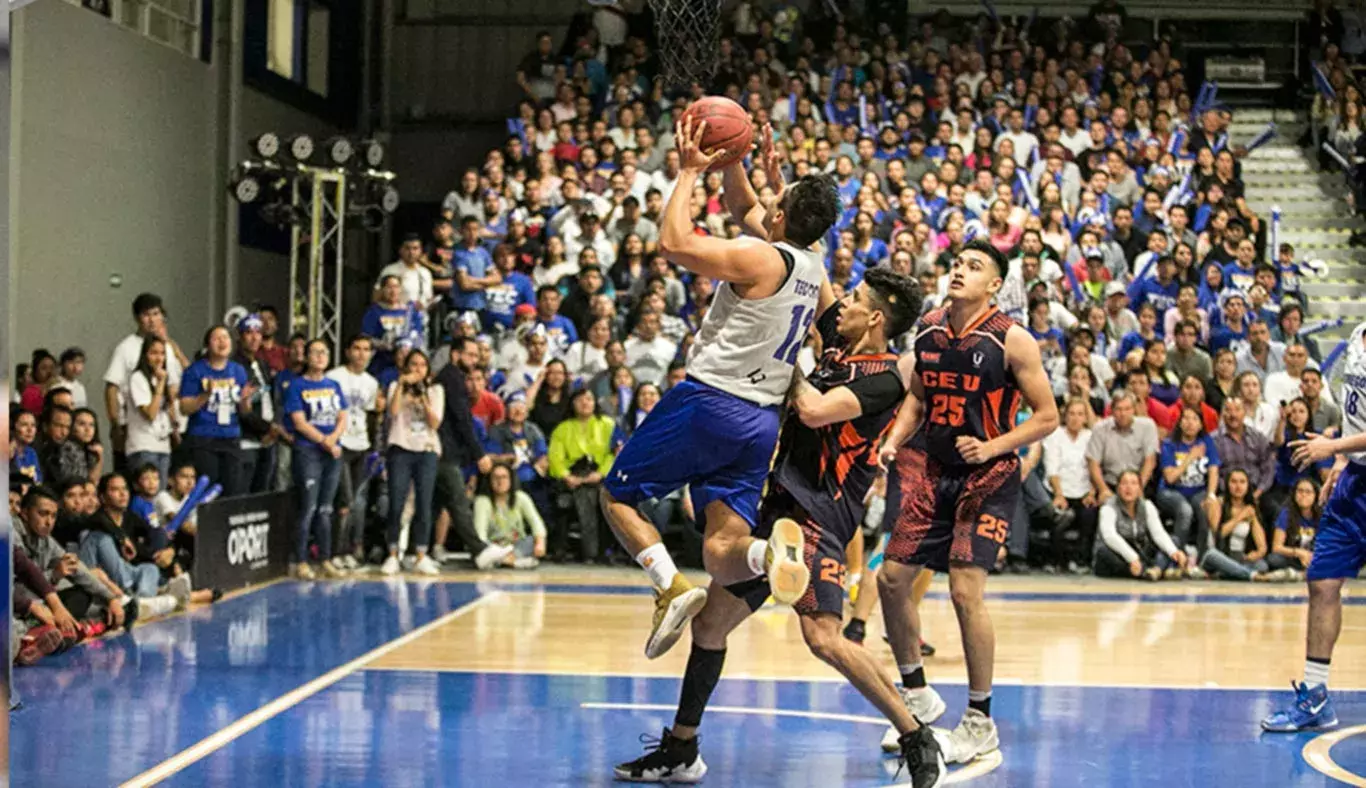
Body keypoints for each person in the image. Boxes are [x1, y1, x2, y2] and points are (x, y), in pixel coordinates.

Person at [615, 268, 946, 787]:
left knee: (823, 638)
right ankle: (682, 747)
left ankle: (915, 735)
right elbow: (809, 270)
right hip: (777, 510)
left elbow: (813, 411)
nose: (846, 304)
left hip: (818, 516)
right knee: (709, 625)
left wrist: (776, 360)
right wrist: (769, 203)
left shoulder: (886, 379)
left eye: (858, 298)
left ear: (877, 317)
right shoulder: (841, 339)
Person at [600, 117, 841, 660]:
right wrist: (735, 155)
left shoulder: (760, 256)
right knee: (721, 548)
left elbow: (673, 241)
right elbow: (745, 209)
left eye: (777, 197)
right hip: (760, 422)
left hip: (711, 402)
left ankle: (668, 586)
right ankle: (767, 555)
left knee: (616, 495)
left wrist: (689, 171)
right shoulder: (810, 262)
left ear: (781, 215)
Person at [875, 239, 1059, 767]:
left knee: (963, 592)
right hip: (934, 474)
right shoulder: (930, 328)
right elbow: (917, 395)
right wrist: (894, 438)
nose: (960, 271)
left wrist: (994, 445)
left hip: (989, 477)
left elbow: (1046, 416)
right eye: (957, 263)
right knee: (889, 580)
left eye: (974, 266)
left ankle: (980, 720)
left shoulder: (1013, 340)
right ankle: (917, 694)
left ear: (995, 284)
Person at [1262, 320, 1366, 732]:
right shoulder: (1358, 333)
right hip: (1355, 481)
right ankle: (1316, 697)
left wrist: (1332, 447)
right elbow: (1355, 410)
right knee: (1322, 582)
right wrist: (1342, 460)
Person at [284, 339, 350, 580]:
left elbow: (343, 417)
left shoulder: (334, 385)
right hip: (308, 452)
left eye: (324, 352)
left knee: (326, 509)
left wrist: (333, 439)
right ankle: (300, 560)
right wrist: (324, 441)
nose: (320, 356)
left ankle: (325, 558)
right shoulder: (296, 386)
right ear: (306, 357)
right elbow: (299, 422)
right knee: (308, 507)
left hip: (332, 452)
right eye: (315, 352)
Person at [382, 350, 445, 576]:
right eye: (413, 365)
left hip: (426, 449)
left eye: (422, 365)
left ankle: (420, 553)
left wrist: (423, 397)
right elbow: (393, 412)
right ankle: (392, 553)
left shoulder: (436, 391)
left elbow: (435, 422)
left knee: (424, 502)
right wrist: (402, 385)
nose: (417, 369)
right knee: (396, 502)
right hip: (401, 448)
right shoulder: (394, 387)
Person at [178, 326, 256, 497]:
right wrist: (205, 395)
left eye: (226, 337)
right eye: (217, 338)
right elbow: (184, 408)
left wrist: (245, 400)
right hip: (203, 438)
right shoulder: (195, 371)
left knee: (233, 490)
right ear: (207, 345)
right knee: (208, 491)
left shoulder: (238, 370)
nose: (222, 342)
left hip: (231, 437)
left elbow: (244, 412)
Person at [327, 335, 383, 567]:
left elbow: (371, 415)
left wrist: (372, 445)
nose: (361, 354)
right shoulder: (334, 377)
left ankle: (353, 547)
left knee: (358, 501)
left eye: (366, 349)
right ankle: (335, 551)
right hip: (340, 444)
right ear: (348, 351)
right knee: (344, 500)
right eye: (357, 348)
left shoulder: (371, 382)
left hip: (361, 444)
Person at [549, 387, 616, 562]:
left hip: (601, 476)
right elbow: (555, 458)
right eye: (580, 400)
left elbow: (614, 454)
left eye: (589, 399)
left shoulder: (608, 424)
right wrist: (567, 477)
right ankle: (594, 552)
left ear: (595, 403)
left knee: (594, 493)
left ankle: (592, 551)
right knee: (585, 494)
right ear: (572, 404)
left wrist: (600, 473)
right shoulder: (562, 428)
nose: (585, 403)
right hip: (572, 476)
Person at [1094, 469, 1188, 580]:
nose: (1129, 488)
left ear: (1139, 489)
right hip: (1120, 554)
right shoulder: (1108, 507)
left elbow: (1158, 533)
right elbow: (1110, 537)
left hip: (1140, 553)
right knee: (1103, 552)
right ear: (1118, 488)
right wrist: (1132, 558)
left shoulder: (1147, 506)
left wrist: (1173, 551)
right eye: (1124, 483)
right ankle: (1152, 571)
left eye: (1133, 483)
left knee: (1173, 541)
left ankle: (1155, 570)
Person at [1155, 406, 1221, 563]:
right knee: (1185, 510)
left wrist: (1211, 494)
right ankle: (1177, 557)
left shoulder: (1206, 443)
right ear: (1179, 422)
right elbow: (1170, 477)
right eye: (1186, 418)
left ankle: (1204, 559)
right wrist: (1190, 457)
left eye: (1194, 419)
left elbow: (1213, 470)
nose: (1190, 423)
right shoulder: (1169, 444)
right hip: (1170, 492)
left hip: (1198, 491)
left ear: (1200, 425)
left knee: (1205, 506)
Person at [1200, 468, 1273, 581]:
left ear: (1248, 485)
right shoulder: (1218, 503)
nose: (1238, 486)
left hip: (1239, 557)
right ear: (1227, 485)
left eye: (1242, 482)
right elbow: (1218, 534)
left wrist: (1256, 554)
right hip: (1218, 555)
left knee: (1262, 565)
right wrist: (1240, 516)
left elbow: (1262, 547)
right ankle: (1251, 575)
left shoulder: (1250, 509)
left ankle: (1228, 573)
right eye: (1233, 482)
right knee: (1212, 555)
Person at [472, 463, 546, 568]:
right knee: (479, 549)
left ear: (511, 480)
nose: (500, 481)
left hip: (516, 546)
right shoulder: (482, 501)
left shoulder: (521, 497)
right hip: (492, 548)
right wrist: (486, 551)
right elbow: (480, 535)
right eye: (496, 478)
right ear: (489, 481)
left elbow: (536, 523)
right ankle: (515, 562)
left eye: (504, 477)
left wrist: (540, 542)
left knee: (532, 540)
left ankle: (504, 561)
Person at [1268, 477, 1319, 578]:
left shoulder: (1323, 515)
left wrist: (1312, 556)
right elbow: (1276, 547)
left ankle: (1299, 574)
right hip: (1292, 557)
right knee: (1274, 559)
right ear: (1294, 494)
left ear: (1315, 496)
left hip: (1314, 557)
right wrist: (1299, 553)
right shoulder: (1286, 514)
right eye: (1300, 491)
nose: (1303, 495)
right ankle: (1306, 573)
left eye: (1308, 492)